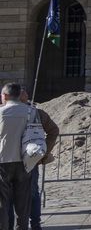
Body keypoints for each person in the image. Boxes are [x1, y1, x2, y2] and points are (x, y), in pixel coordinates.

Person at [9, 88, 57, 230]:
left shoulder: (35, 113)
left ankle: (29, 224)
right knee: (31, 193)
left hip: (16, 160)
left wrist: (44, 152)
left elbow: (53, 130)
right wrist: (43, 153)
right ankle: (34, 224)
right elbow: (54, 130)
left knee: (25, 194)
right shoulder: (36, 112)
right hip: (28, 159)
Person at [0, 83, 34, 230]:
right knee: (23, 205)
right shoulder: (30, 112)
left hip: (3, 161)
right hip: (25, 161)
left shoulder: (1, 112)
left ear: (5, 96)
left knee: (2, 203)